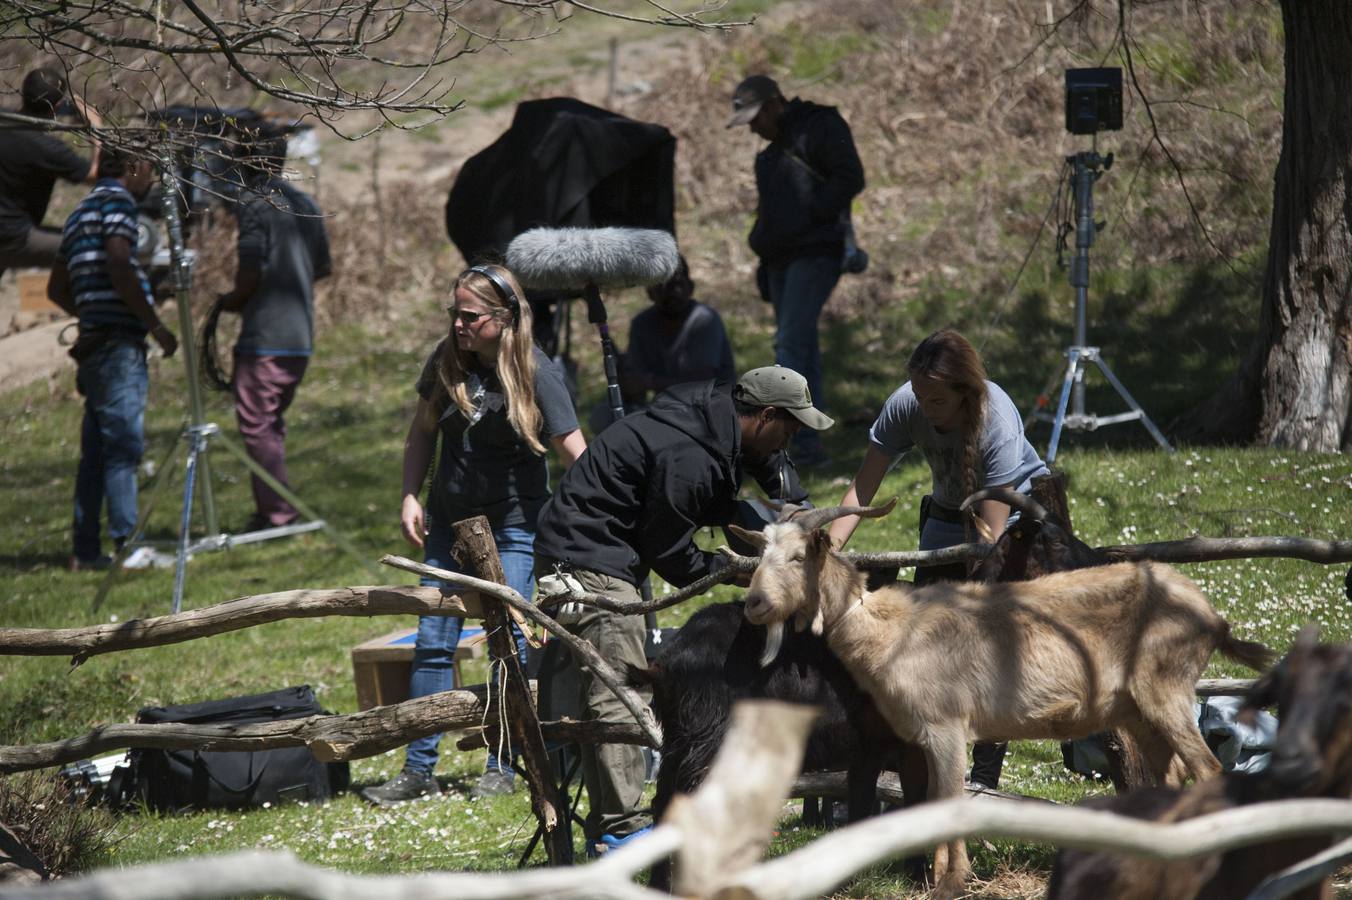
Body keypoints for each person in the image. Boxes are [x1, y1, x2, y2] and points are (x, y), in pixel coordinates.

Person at [533, 364, 829, 853]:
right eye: (789, 427)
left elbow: (755, 463)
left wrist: (794, 502)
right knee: (617, 693)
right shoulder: (689, 453)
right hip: (590, 558)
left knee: (604, 689)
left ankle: (611, 824)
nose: (791, 438)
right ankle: (622, 832)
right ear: (765, 414)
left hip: (595, 546)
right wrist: (736, 570)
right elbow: (669, 548)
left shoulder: (713, 419)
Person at [360, 264, 586, 806]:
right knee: (433, 645)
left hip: (512, 527)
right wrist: (411, 494)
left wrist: (596, 516)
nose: (458, 324)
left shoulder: (537, 373)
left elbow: (577, 454)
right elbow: (421, 432)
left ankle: (502, 764)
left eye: (470, 316)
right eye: (454, 314)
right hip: (448, 527)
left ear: (504, 320)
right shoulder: (446, 362)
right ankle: (419, 769)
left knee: (504, 646)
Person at [827, 329, 1050, 791]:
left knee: (990, 649)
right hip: (948, 515)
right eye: (918, 396)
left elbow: (988, 539)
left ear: (963, 393)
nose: (924, 408)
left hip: (1009, 521)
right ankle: (928, 770)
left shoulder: (997, 424)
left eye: (935, 400)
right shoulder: (906, 404)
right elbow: (863, 486)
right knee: (920, 640)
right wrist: (829, 550)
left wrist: (974, 601)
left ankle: (983, 780)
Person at [47, 146, 179, 571]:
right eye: (151, 169)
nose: (152, 180)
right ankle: (128, 542)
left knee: (97, 452)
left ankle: (86, 551)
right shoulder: (118, 204)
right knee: (123, 444)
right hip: (119, 344)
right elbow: (120, 261)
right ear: (133, 166)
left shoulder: (80, 211)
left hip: (93, 344)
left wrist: (90, 313)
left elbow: (56, 288)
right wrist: (154, 324)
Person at [727, 73, 864, 467]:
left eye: (755, 118)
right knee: (802, 348)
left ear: (773, 105)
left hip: (817, 252)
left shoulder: (821, 124)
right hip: (780, 261)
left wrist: (811, 216)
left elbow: (850, 177)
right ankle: (809, 444)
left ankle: (782, 443)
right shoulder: (768, 155)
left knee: (789, 346)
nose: (752, 129)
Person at [218, 131, 332, 532]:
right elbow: (322, 268)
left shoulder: (254, 203)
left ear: (246, 160)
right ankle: (272, 509)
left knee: (257, 426)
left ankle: (277, 514)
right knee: (270, 425)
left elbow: (249, 268)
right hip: (300, 337)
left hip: (265, 336)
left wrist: (232, 299)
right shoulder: (304, 202)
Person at [589, 255, 736, 433]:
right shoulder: (642, 324)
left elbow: (701, 383)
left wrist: (648, 382)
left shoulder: (704, 320)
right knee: (603, 417)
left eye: (677, 284)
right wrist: (625, 379)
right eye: (663, 286)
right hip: (665, 410)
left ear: (690, 287)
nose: (672, 293)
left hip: (708, 410)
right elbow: (634, 384)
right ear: (650, 291)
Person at [0, 66, 102, 280]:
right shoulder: (48, 149)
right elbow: (94, 175)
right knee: (98, 248)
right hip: (14, 239)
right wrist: (96, 128)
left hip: (11, 235)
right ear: (56, 108)